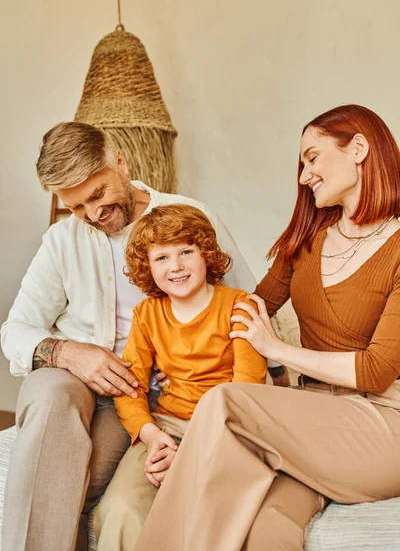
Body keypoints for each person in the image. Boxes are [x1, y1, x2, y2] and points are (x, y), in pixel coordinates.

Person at [0, 121, 285, 551]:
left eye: (97, 195)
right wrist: (68, 353)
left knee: (77, 482)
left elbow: (245, 307)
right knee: (48, 391)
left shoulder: (188, 217)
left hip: (149, 395)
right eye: (76, 207)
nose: (92, 215)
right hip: (79, 380)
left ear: (119, 160)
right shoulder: (62, 241)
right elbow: (16, 330)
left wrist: (279, 380)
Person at [133, 104, 400, 551]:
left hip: (381, 426)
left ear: (358, 148)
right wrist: (177, 354)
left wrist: (276, 350)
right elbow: (243, 308)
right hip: (307, 418)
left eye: (312, 158)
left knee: (226, 402)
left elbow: (376, 371)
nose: (303, 175)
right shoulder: (306, 241)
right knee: (266, 525)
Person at [93, 204, 267, 548]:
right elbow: (130, 388)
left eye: (186, 251)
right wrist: (152, 435)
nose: (176, 266)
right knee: (119, 507)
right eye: (161, 258)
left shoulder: (240, 305)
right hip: (167, 427)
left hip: (228, 429)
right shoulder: (146, 314)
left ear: (205, 253)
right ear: (148, 267)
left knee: (203, 510)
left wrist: (189, 455)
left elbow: (246, 391)